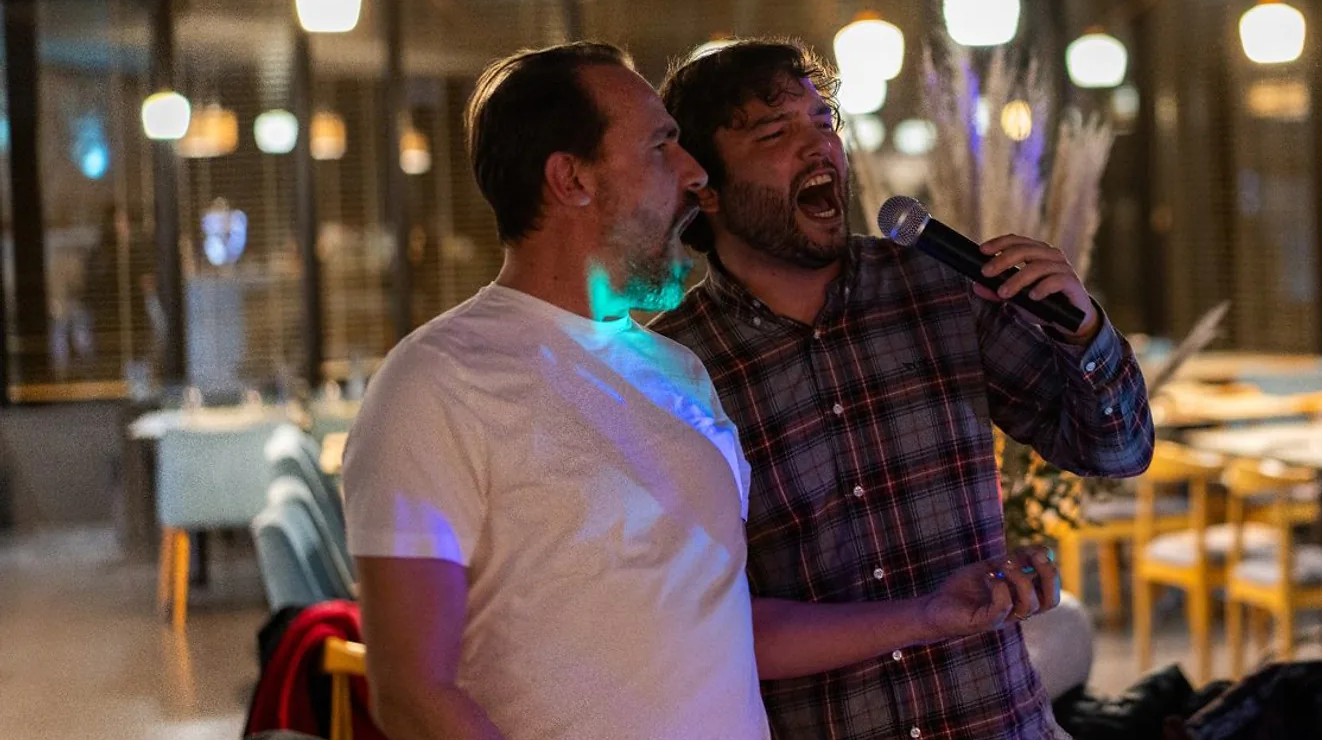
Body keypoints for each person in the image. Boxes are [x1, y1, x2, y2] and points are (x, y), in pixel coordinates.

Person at [344, 42, 1045, 740]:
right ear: (571, 180)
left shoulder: (678, 372)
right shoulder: (438, 380)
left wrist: (925, 615)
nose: (693, 173)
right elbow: (412, 695)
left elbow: (727, 622)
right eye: (661, 148)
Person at [653, 39, 1155, 740]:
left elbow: (1118, 452)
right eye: (775, 131)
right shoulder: (675, 367)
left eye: (824, 120)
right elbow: (697, 625)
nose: (818, 145)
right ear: (703, 185)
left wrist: (1082, 330)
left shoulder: (939, 288)